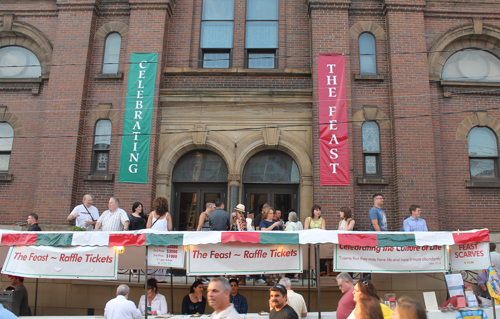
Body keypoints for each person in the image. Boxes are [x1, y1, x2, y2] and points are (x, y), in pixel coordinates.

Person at [147, 197, 172, 282]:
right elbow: (170, 228)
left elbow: (148, 227)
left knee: (152, 258)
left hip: (153, 240)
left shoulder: (152, 214)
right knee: (162, 259)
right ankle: (161, 278)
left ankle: (150, 278)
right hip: (163, 240)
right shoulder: (167, 215)